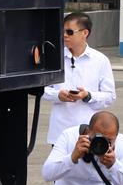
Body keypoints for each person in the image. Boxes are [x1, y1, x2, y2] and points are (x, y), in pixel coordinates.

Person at [44, 12, 116, 145]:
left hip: (89, 131)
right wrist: (58, 95)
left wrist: (88, 96)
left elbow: (110, 96)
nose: (65, 35)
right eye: (63, 31)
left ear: (85, 33)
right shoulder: (54, 58)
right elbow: (42, 90)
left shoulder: (100, 60)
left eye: (70, 32)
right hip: (60, 131)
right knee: (60, 166)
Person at [42, 110, 123, 185]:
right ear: (87, 131)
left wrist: (113, 165)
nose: (101, 143)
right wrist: (72, 158)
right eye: (97, 138)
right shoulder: (69, 136)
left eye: (109, 141)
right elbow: (47, 174)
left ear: (116, 136)